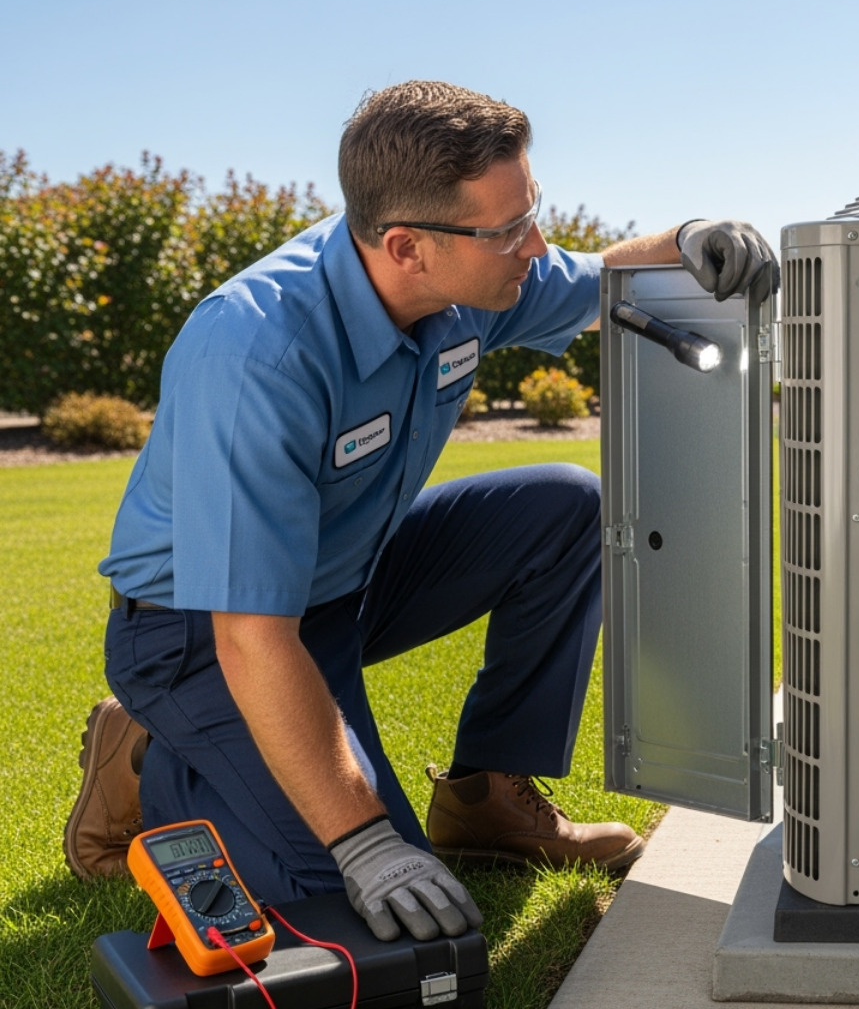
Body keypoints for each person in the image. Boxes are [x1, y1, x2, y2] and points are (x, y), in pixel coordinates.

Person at [63, 80, 778, 943]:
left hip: (347, 582)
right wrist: (365, 843)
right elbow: (250, 636)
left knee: (565, 508)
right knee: (376, 915)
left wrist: (690, 238)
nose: (535, 246)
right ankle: (156, 761)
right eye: (510, 229)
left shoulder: (466, 284)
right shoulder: (256, 354)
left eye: (533, 211)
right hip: (200, 633)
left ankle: (482, 798)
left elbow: (598, 278)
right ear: (406, 245)